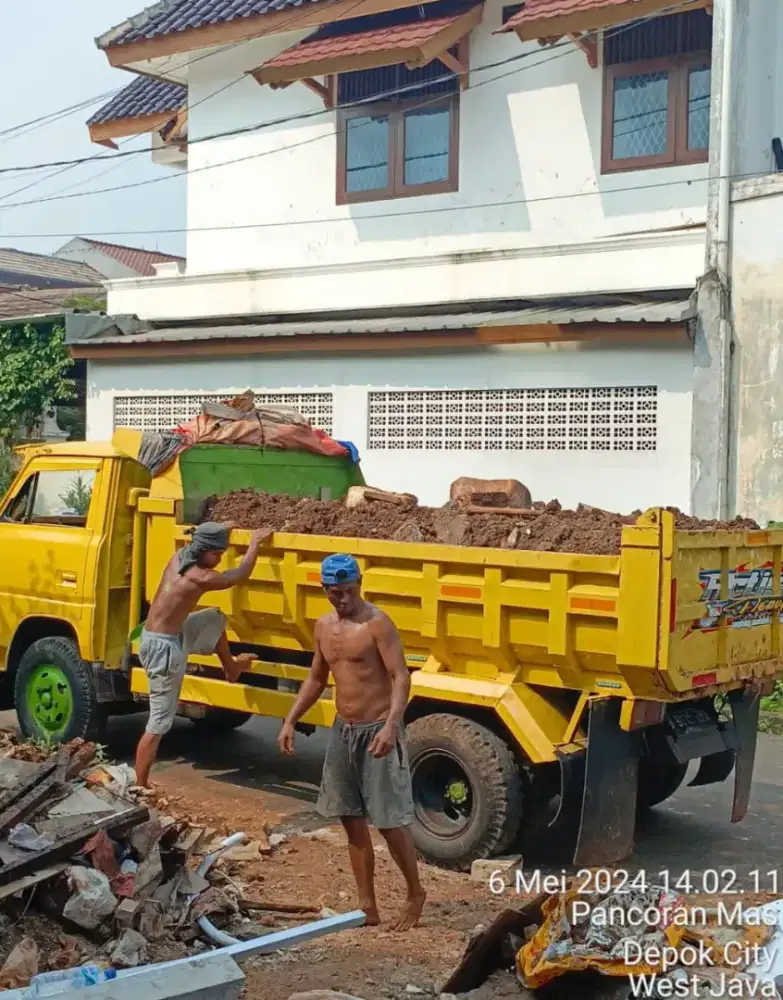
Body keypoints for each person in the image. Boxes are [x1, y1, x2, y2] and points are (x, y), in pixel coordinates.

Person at [278, 553, 425, 931]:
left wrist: (391, 726)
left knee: (389, 821)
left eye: (348, 591)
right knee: (351, 818)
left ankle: (415, 893)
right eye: (334, 592)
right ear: (324, 590)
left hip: (377, 729)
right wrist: (291, 719)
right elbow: (316, 677)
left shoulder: (377, 624)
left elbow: (400, 676)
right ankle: (367, 906)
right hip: (343, 731)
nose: (342, 598)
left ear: (359, 585)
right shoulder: (323, 626)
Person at [134, 521, 272, 787]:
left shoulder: (180, 557)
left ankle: (231, 668)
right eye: (217, 554)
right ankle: (139, 785)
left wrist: (224, 527)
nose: (219, 559)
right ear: (205, 551)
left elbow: (207, 537)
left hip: (164, 635)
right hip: (164, 650)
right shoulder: (201, 577)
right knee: (159, 722)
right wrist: (255, 543)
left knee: (214, 618)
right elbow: (239, 574)